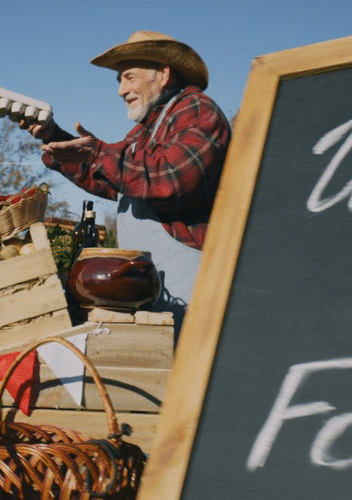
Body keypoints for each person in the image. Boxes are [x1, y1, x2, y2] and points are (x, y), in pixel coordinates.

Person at [20, 30, 232, 332]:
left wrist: (96, 153)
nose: (121, 90)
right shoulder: (144, 130)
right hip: (151, 284)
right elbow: (113, 178)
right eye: (119, 80)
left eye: (129, 77)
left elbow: (172, 177)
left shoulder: (196, 110)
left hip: (193, 283)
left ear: (163, 74)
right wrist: (53, 137)